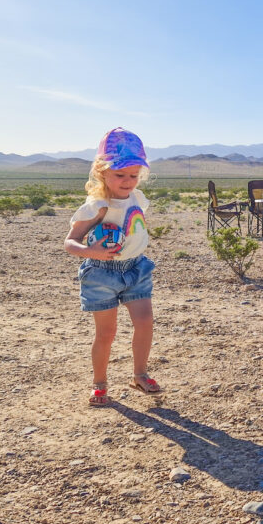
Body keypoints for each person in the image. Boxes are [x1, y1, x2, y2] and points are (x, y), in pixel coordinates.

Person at [64, 127, 161, 406]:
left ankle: (140, 375)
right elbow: (70, 242)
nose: (128, 181)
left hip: (136, 270)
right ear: (101, 172)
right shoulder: (97, 206)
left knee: (145, 322)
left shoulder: (139, 199)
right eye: (120, 174)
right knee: (106, 333)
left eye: (134, 175)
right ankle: (100, 384)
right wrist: (89, 250)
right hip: (101, 274)